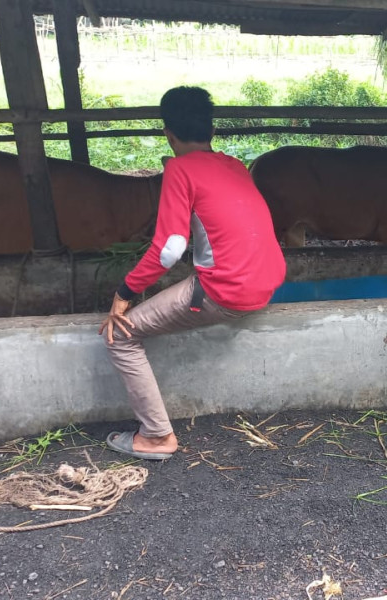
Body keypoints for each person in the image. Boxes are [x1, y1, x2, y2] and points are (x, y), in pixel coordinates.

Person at [99, 86, 286, 460]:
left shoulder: (180, 169)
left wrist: (124, 292)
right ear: (211, 131)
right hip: (267, 280)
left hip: (227, 291)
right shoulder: (234, 165)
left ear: (168, 134)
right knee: (187, 281)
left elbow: (169, 249)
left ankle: (156, 436)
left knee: (119, 337)